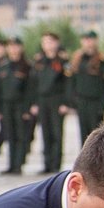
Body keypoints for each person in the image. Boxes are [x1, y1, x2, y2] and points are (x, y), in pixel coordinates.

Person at [29, 31, 71, 174]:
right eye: (45, 42)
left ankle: (55, 164)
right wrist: (34, 102)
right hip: (42, 100)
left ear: (57, 43)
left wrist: (66, 102)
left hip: (57, 100)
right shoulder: (39, 62)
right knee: (45, 132)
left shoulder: (63, 62)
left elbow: (68, 84)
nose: (47, 45)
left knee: (56, 132)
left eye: (50, 41)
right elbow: (33, 84)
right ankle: (46, 163)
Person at [0, 35, 33, 175]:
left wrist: (27, 108)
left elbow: (30, 89)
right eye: (10, 46)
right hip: (6, 104)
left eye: (16, 46)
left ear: (21, 48)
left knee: (21, 135)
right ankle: (11, 164)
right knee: (9, 134)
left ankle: (18, 164)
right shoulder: (3, 66)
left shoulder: (27, 66)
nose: (13, 49)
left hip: (20, 104)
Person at [68, 30, 104, 148]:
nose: (88, 43)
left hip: (95, 102)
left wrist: (102, 104)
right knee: (83, 135)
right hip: (81, 100)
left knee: (97, 135)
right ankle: (85, 163)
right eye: (85, 40)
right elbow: (72, 81)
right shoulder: (77, 59)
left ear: (95, 41)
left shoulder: (101, 60)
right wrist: (73, 100)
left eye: (91, 40)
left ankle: (97, 164)